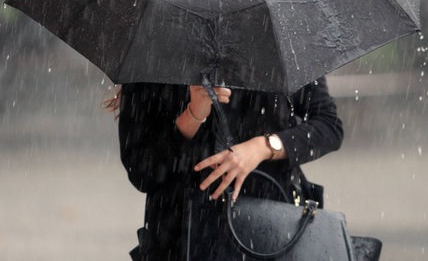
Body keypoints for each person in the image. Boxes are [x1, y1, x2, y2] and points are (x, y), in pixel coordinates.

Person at [107, 76, 344, 260]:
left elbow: (328, 126)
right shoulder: (159, 47)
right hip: (180, 235)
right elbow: (141, 171)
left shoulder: (279, 37)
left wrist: (263, 146)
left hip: (272, 228)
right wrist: (194, 114)